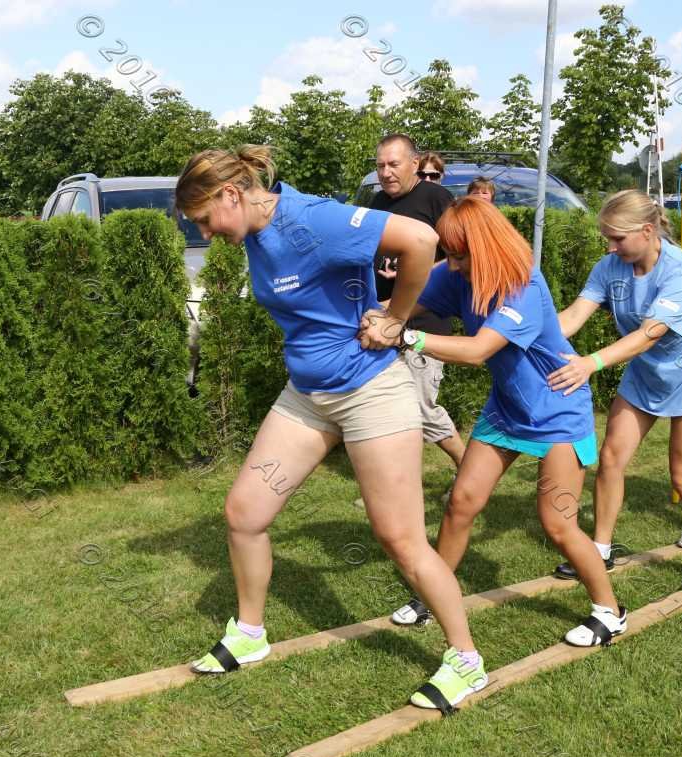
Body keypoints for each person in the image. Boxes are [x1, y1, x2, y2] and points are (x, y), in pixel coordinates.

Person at [175, 145, 486, 712]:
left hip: (371, 391)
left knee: (400, 539)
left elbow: (421, 240)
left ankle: (465, 659)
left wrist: (395, 318)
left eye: (204, 219)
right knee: (245, 513)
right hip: (308, 397)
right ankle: (250, 633)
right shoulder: (256, 234)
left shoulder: (312, 219)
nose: (205, 232)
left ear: (231, 194)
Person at [379, 196, 628, 644]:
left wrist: (405, 337)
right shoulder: (458, 274)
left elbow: (478, 351)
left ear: (485, 248)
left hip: (557, 411)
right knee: (461, 502)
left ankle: (610, 612)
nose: (452, 265)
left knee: (558, 524)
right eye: (449, 254)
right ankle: (434, 594)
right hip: (507, 409)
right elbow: (398, 305)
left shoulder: (523, 286)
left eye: (460, 255)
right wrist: (365, 316)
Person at [546, 190, 682, 594]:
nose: (610, 247)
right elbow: (574, 316)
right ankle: (600, 549)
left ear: (648, 231)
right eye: (607, 238)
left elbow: (649, 334)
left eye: (617, 238)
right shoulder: (611, 266)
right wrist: (524, 336)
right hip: (645, 373)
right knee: (611, 458)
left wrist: (590, 363)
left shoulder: (681, 272)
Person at [368, 135, 467, 487]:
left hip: (424, 322)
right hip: (384, 319)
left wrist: (413, 273)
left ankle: (469, 468)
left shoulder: (436, 198)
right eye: (380, 165)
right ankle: (394, 486)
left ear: (414, 163)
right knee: (387, 409)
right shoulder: (378, 202)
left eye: (393, 164)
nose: (386, 172)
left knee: (422, 409)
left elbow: (457, 256)